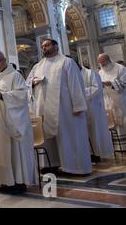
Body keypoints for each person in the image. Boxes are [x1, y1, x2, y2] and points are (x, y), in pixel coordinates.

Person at [26, 39, 91, 175]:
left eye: (47, 45)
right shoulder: (37, 66)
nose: (44, 48)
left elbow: (76, 84)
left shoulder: (67, 62)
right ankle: (51, 164)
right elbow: (27, 84)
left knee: (68, 136)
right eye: (42, 46)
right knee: (47, 138)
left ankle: (73, 167)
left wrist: (78, 105)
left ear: (55, 46)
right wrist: (33, 82)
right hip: (43, 106)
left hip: (65, 107)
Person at [0, 51, 36, 194]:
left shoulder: (15, 75)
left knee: (15, 152)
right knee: (0, 151)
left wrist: (0, 95)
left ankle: (19, 183)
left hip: (13, 122)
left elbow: (21, 96)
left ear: (5, 60)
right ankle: (5, 182)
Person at [79, 61, 114, 160]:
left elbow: (96, 88)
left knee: (95, 131)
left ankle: (97, 153)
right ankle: (89, 153)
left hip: (93, 108)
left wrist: (80, 93)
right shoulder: (73, 75)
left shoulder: (91, 73)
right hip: (82, 108)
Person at [98, 53, 126, 150]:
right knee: (111, 121)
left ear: (108, 60)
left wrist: (110, 83)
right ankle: (117, 146)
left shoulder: (120, 68)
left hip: (120, 98)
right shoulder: (101, 72)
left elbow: (124, 83)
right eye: (100, 63)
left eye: (103, 62)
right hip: (107, 100)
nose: (102, 65)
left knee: (122, 120)